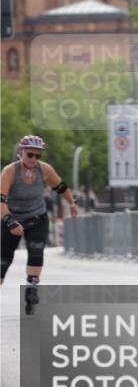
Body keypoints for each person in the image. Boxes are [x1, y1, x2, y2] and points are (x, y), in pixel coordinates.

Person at [1, 135, 80, 314]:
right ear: (21, 152)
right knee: (3, 262)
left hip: (37, 217)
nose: (34, 160)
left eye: (38, 156)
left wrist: (72, 203)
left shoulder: (44, 170)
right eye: (30, 155)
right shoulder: (10, 171)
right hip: (11, 217)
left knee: (36, 251)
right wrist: (9, 220)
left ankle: (31, 291)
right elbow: (1, 200)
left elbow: (60, 187)